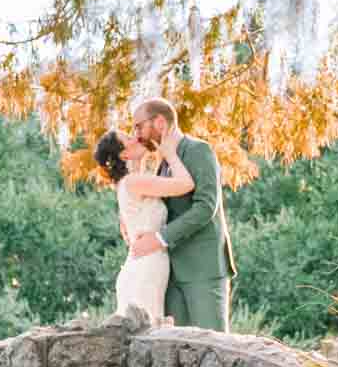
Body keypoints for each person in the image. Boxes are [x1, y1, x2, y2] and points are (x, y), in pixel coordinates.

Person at [122, 97, 236, 332]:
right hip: (169, 273)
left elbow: (206, 206)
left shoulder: (198, 150)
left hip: (202, 268)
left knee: (212, 346)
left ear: (160, 122)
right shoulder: (161, 163)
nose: (137, 134)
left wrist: (160, 238)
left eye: (139, 126)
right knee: (178, 350)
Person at [99, 126, 196, 324]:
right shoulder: (134, 182)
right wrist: (170, 155)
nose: (135, 137)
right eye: (128, 138)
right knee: (149, 332)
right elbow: (186, 184)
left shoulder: (127, 182)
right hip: (146, 267)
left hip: (143, 262)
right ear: (124, 155)